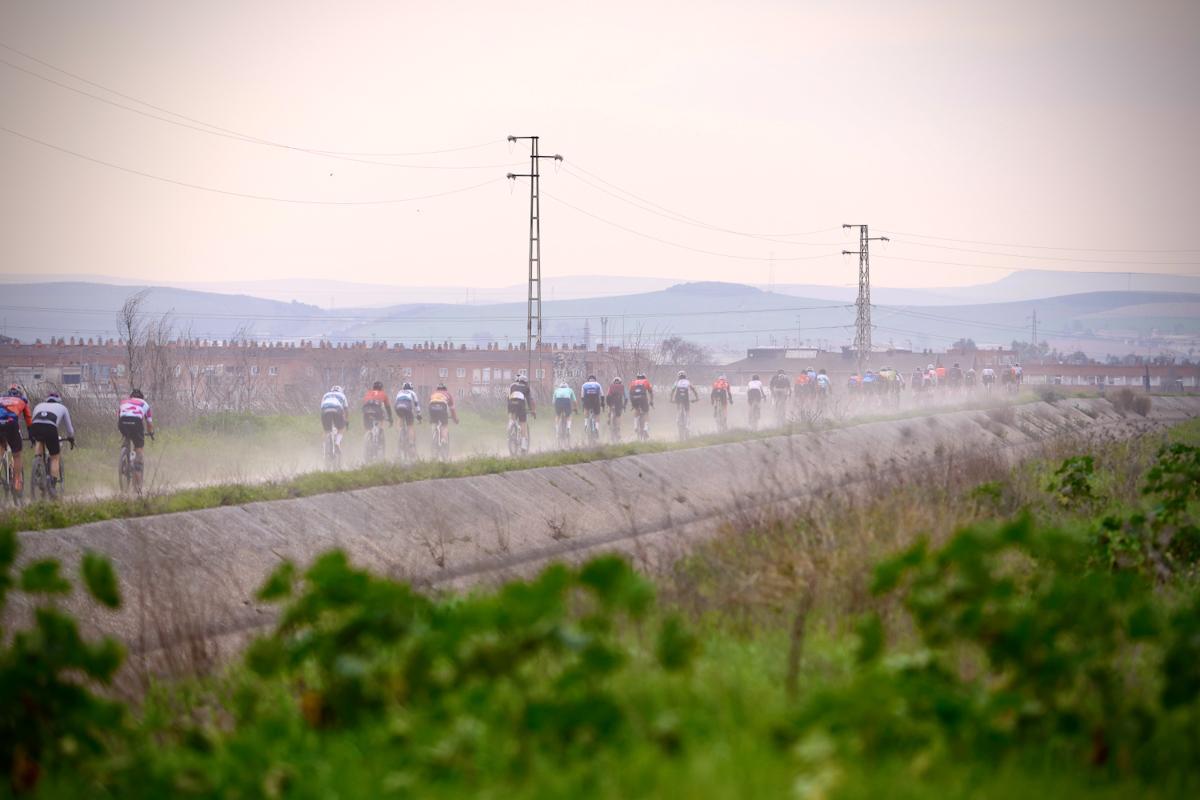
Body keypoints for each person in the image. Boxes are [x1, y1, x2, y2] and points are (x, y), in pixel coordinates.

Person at [29, 391, 75, 494]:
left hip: (35, 427)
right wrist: (71, 438)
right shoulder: (62, 408)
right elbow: (70, 429)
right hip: (50, 428)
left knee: (40, 440)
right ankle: (53, 486)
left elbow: (33, 421)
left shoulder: (39, 405)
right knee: (55, 457)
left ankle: (37, 463)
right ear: (59, 401)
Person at [0, 385, 33, 494]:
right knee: (17, 455)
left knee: (1, 449)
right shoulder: (22, 400)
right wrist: (31, 435)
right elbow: (28, 418)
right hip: (11, 425)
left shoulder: (1, 398)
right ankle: (17, 481)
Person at [118, 388, 155, 481]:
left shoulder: (124, 402)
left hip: (122, 422)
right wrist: (150, 432)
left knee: (126, 434)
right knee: (139, 448)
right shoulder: (145, 404)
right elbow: (149, 423)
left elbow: (120, 415)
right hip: (136, 422)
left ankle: (125, 450)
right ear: (142, 397)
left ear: (131, 397)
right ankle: (137, 474)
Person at [507, 373, 535, 450]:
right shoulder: (526, 387)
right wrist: (532, 410)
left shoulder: (512, 385)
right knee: (523, 423)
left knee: (512, 416)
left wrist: (509, 407)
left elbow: (508, 396)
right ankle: (523, 444)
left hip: (511, 403)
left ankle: (511, 425)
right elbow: (529, 400)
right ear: (526, 382)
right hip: (520, 404)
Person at [393, 381, 423, 450]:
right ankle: (411, 443)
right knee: (410, 426)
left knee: (400, 417)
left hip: (398, 406)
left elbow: (396, 401)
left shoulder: (399, 392)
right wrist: (419, 415)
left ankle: (399, 433)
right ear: (411, 388)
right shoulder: (412, 393)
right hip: (407, 407)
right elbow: (416, 404)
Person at [428, 383, 459, 447]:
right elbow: (452, 408)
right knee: (444, 425)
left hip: (432, 407)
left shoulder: (433, 394)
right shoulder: (448, 394)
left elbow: (428, 405)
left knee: (434, 423)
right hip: (442, 407)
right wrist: (455, 419)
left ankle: (434, 437)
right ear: (445, 389)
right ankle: (443, 440)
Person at [320, 385, 349, 451]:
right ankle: (337, 443)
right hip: (337, 409)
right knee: (341, 428)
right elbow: (346, 409)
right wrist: (346, 421)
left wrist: (323, 422)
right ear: (340, 391)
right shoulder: (342, 395)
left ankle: (324, 447)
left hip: (325, 410)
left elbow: (321, 408)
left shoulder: (326, 395)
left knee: (326, 431)